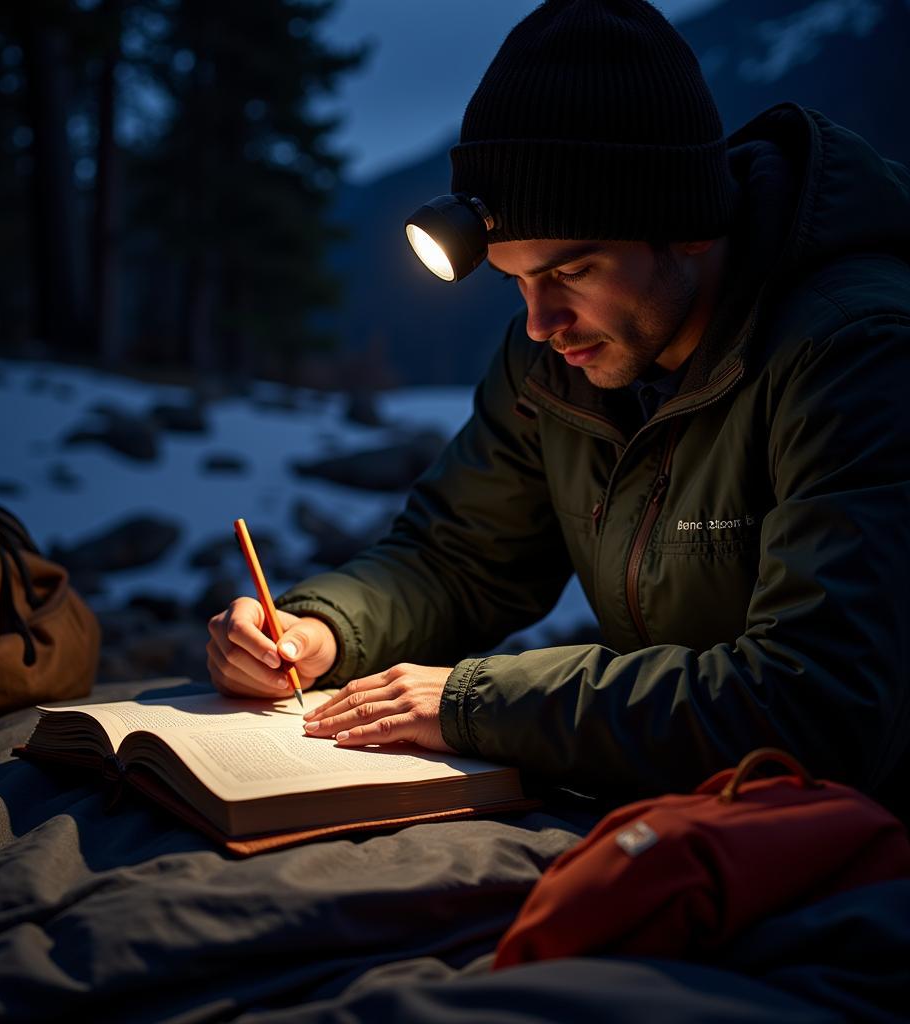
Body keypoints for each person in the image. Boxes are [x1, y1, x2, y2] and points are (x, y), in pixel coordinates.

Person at [207, 0, 910, 814]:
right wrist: (319, 627)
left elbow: (818, 705)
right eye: (516, 281)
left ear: (685, 224)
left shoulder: (857, 353)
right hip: (690, 811)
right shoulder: (558, 363)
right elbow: (457, 561)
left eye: (570, 272)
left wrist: (477, 702)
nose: (540, 324)